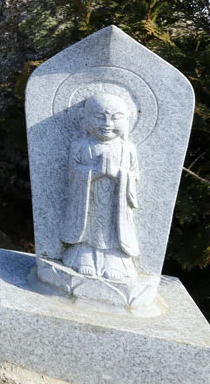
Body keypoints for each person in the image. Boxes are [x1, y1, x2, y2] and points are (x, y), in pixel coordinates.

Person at [60, 92, 140, 280]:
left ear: (127, 119)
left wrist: (118, 175)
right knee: (88, 227)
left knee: (112, 230)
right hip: (87, 198)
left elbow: (135, 176)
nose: (107, 124)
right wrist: (93, 172)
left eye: (115, 118)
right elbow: (73, 174)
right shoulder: (80, 145)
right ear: (84, 118)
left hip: (116, 200)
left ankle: (114, 260)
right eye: (99, 117)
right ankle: (84, 256)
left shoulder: (128, 149)